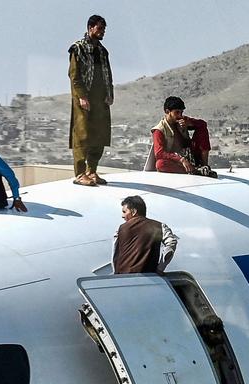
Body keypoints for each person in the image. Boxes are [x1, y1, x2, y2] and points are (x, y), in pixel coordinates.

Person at [68, 15, 114, 186]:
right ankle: (80, 174)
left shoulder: (102, 51)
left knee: (99, 135)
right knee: (82, 135)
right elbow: (74, 75)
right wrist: (81, 96)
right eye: (100, 28)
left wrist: (110, 93)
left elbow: (107, 74)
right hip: (84, 98)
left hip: (100, 98)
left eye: (104, 29)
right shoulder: (77, 49)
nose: (102, 32)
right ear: (90, 27)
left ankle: (91, 170)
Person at [151, 96, 217, 177]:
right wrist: (180, 159)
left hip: (191, 155)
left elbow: (203, 124)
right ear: (168, 111)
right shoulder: (159, 130)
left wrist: (190, 123)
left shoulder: (183, 121)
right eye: (177, 112)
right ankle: (196, 171)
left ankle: (204, 166)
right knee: (160, 164)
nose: (180, 115)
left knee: (202, 129)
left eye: (181, 112)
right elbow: (159, 153)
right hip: (178, 161)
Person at [111, 196, 177, 275]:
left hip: (123, 278)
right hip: (148, 277)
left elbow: (115, 256)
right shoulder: (159, 226)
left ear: (134, 211)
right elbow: (171, 243)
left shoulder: (120, 229)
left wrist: (116, 274)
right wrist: (160, 268)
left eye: (124, 212)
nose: (122, 216)